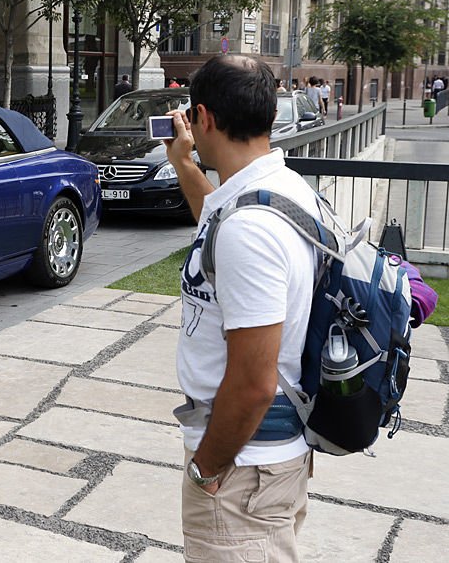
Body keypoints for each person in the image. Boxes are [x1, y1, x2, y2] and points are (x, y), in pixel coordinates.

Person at [164, 55, 318, 561]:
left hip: (241, 470)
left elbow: (254, 383)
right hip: (267, 460)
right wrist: (185, 164)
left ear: (203, 118)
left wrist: (206, 468)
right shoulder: (277, 191)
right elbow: (218, 225)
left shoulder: (249, 229)